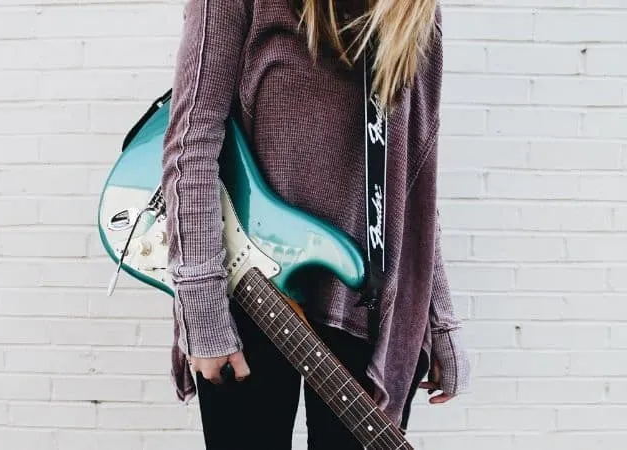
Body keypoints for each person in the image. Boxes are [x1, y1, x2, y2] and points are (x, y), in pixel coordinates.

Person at [160, 0, 471, 448]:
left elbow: (414, 182)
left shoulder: (414, 12)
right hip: (253, 297)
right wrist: (202, 309)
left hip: (368, 309)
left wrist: (439, 320)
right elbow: (191, 144)